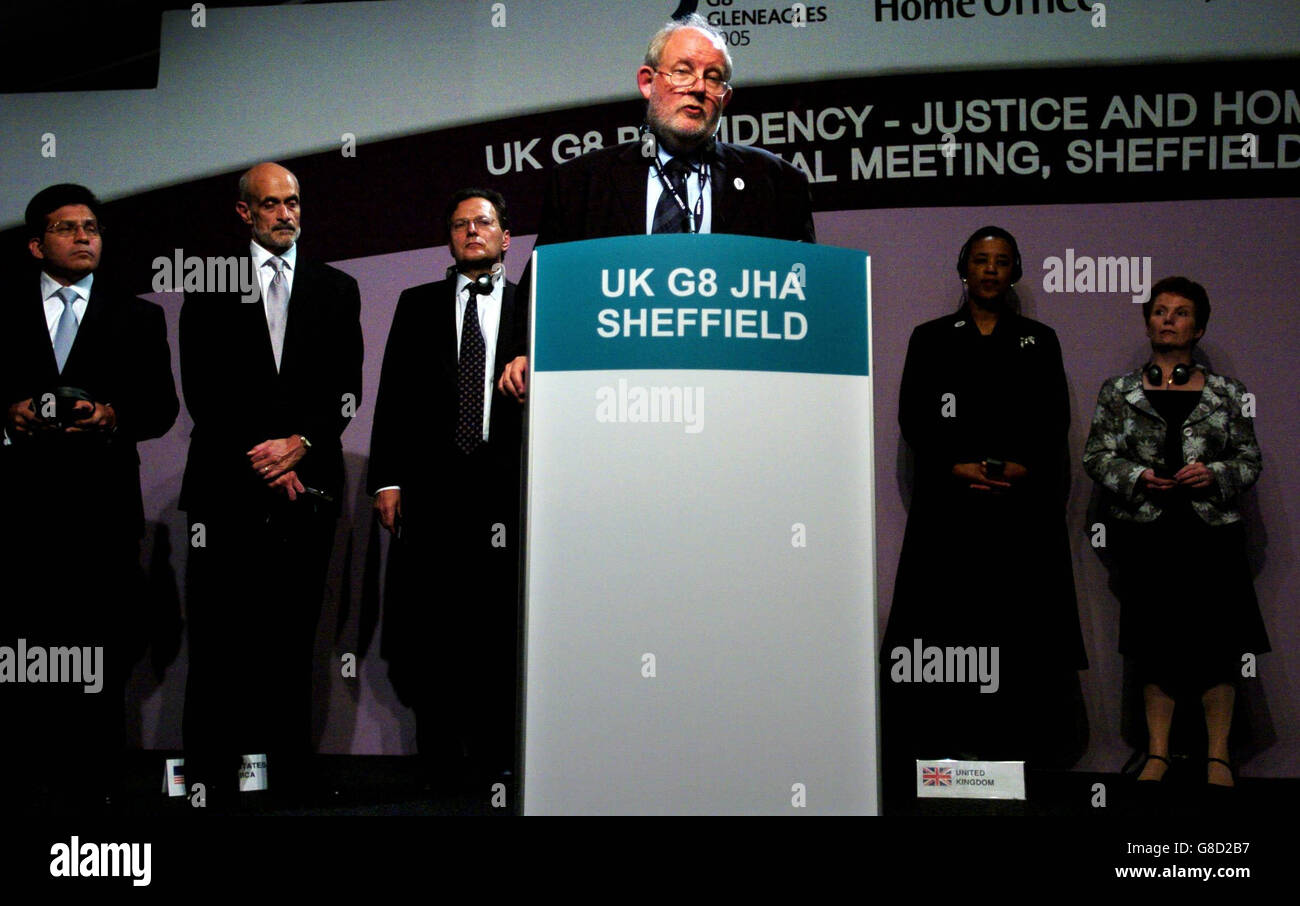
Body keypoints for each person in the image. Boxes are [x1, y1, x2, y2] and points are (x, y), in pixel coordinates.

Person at [496, 12, 815, 402]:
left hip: (737, 393)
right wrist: (524, 351)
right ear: (648, 82)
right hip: (615, 393)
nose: (698, 88)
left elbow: (803, 297)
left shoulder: (777, 184)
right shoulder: (582, 182)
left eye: (713, 77)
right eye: (683, 71)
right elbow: (543, 286)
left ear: (725, 98)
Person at [879, 226, 1087, 804]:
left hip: (1019, 515)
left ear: (1015, 271)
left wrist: (1022, 467)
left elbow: (1053, 420)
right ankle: (950, 755)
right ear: (963, 269)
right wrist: (954, 465)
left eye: (1001, 262)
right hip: (949, 515)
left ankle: (1011, 754)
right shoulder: (930, 339)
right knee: (947, 634)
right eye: (980, 260)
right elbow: (915, 417)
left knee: (1015, 634)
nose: (990, 270)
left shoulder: (1039, 341)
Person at [179, 162, 363, 806]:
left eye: (294, 202)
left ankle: (287, 776)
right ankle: (209, 777)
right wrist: (264, 458)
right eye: (271, 204)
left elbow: (346, 389)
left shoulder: (337, 289)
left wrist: (301, 447)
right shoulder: (207, 288)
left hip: (308, 495)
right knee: (221, 640)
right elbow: (204, 391)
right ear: (244, 212)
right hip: (226, 495)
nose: (286, 214)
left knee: (293, 640)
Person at [0, 183, 178, 810]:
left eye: (92, 228)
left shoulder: (139, 315)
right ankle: (29, 777)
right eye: (67, 227)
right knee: (26, 649)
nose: (83, 237)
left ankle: (95, 780)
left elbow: (161, 409)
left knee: (103, 651)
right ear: (34, 243)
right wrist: (9, 417)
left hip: (103, 513)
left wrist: (111, 415)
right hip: (20, 514)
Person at [1082, 276, 1267, 795]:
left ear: (1199, 326)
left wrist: (1217, 474)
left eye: (1180, 312)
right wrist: (1137, 476)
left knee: (1216, 646)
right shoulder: (1118, 391)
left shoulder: (1226, 393)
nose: (1167, 318)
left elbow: (1249, 461)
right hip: (1147, 535)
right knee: (1153, 646)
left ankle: (1218, 756)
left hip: (1210, 536)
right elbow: (1095, 455)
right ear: (1148, 323)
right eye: (1159, 310)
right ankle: (1158, 753)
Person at [367, 188, 522, 785]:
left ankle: (495, 755)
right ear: (450, 239)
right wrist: (387, 478)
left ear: (505, 237)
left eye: (483, 222)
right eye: (460, 224)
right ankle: (437, 759)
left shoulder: (530, 304)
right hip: (431, 487)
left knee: (495, 624)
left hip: (500, 485)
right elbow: (393, 398)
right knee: (431, 624)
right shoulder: (416, 304)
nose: (472, 231)